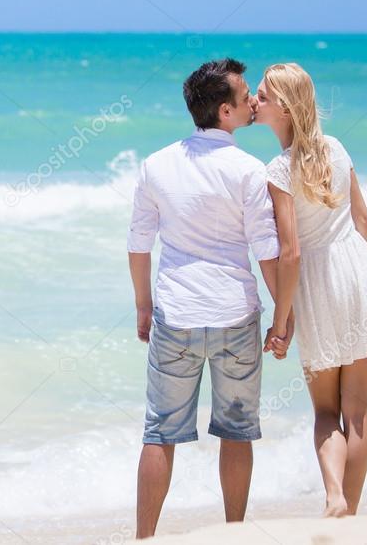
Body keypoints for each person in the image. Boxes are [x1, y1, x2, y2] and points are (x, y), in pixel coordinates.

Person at [128, 58, 281, 538]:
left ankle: (145, 537)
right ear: (225, 112)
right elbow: (267, 250)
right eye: (244, 97)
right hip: (236, 314)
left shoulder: (156, 163)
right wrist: (284, 314)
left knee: (160, 432)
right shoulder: (249, 170)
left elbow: (138, 243)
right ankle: (234, 531)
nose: (252, 101)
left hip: (176, 314)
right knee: (237, 432)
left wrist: (143, 306)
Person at [253, 62, 367, 517]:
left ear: (282, 107)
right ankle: (350, 515)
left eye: (262, 95)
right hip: (360, 271)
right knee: (357, 410)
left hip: (318, 284)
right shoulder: (335, 148)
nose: (254, 102)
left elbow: (291, 253)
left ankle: (334, 495)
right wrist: (363, 275)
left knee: (324, 413)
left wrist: (281, 322)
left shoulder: (277, 170)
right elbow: (365, 221)